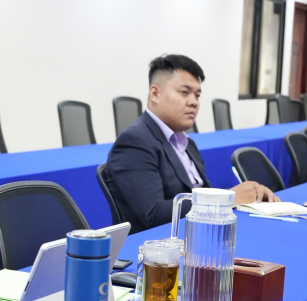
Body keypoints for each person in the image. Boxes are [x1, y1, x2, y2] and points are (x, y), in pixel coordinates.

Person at [105, 54, 278, 234]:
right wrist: (228, 199)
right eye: (184, 92)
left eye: (197, 95)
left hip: (198, 234)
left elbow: (204, 194)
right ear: (155, 93)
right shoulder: (134, 142)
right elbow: (154, 215)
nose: (194, 102)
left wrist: (252, 194)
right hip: (159, 244)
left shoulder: (187, 144)